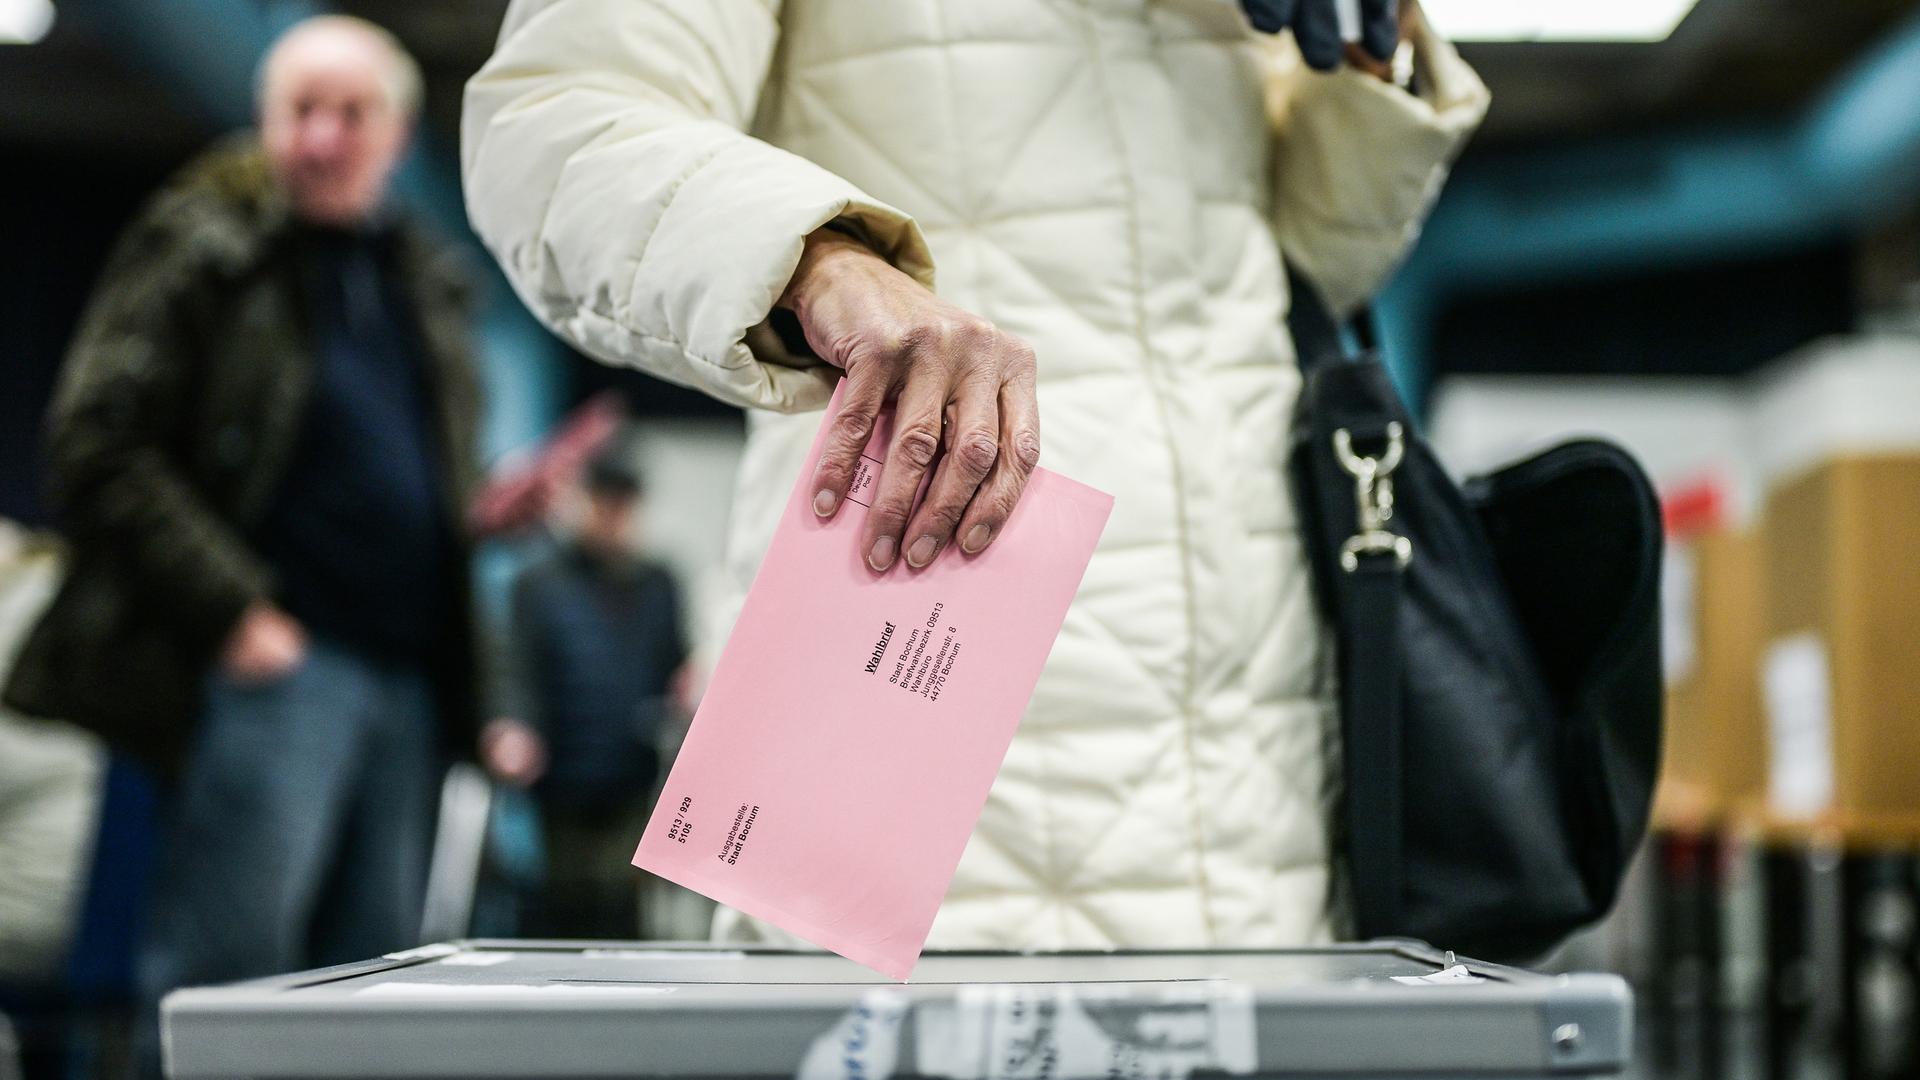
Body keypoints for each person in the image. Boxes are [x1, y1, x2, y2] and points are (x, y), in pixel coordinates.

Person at [462, 0, 1488, 948]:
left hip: (1254, 724)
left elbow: (1300, 262)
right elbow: (548, 126)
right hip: (925, 693)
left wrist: (1370, 40)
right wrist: (820, 260)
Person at [3, 13, 493, 1036]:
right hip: (279, 666)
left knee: (377, 990)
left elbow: (402, 479)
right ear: (265, 122)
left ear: (396, 134)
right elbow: (96, 443)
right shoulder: (205, 242)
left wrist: (477, 513)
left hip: (408, 684)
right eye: (298, 111)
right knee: (232, 983)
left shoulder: (419, 280)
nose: (321, 137)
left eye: (348, 113)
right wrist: (236, 615)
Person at [486, 446, 692, 940]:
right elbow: (516, 668)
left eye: (623, 502)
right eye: (604, 500)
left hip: (633, 773)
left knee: (623, 908)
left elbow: (676, 666)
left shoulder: (659, 583)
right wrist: (513, 728)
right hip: (562, 775)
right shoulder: (536, 585)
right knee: (566, 906)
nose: (612, 514)